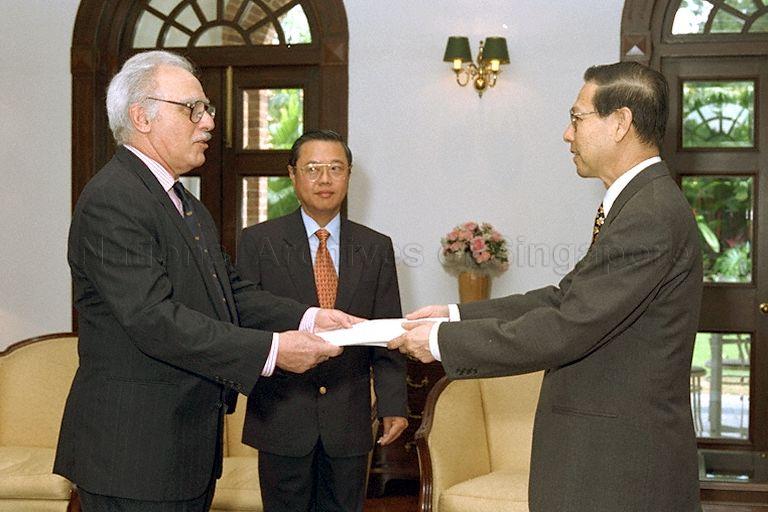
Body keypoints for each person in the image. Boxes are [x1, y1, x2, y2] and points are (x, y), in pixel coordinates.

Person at [389, 61, 703, 511]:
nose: (567, 134)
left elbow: (567, 326)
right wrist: (454, 314)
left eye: (577, 118)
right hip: (603, 458)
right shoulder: (639, 204)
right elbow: (565, 297)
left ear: (620, 123)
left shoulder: (649, 214)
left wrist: (441, 341)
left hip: (617, 469)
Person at [54, 50, 358, 512]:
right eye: (193, 108)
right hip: (135, 454)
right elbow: (153, 319)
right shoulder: (112, 200)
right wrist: (274, 351)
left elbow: (228, 292)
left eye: (207, 108)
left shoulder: (186, 205)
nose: (209, 122)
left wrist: (311, 316)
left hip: (184, 450)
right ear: (142, 117)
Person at [236, 129, 408, 512]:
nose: (325, 179)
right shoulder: (258, 242)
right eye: (313, 169)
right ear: (292, 175)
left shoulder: (376, 246)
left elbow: (388, 329)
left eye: (336, 168)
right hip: (282, 416)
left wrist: (394, 403)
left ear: (349, 175)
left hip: (348, 419)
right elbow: (244, 315)